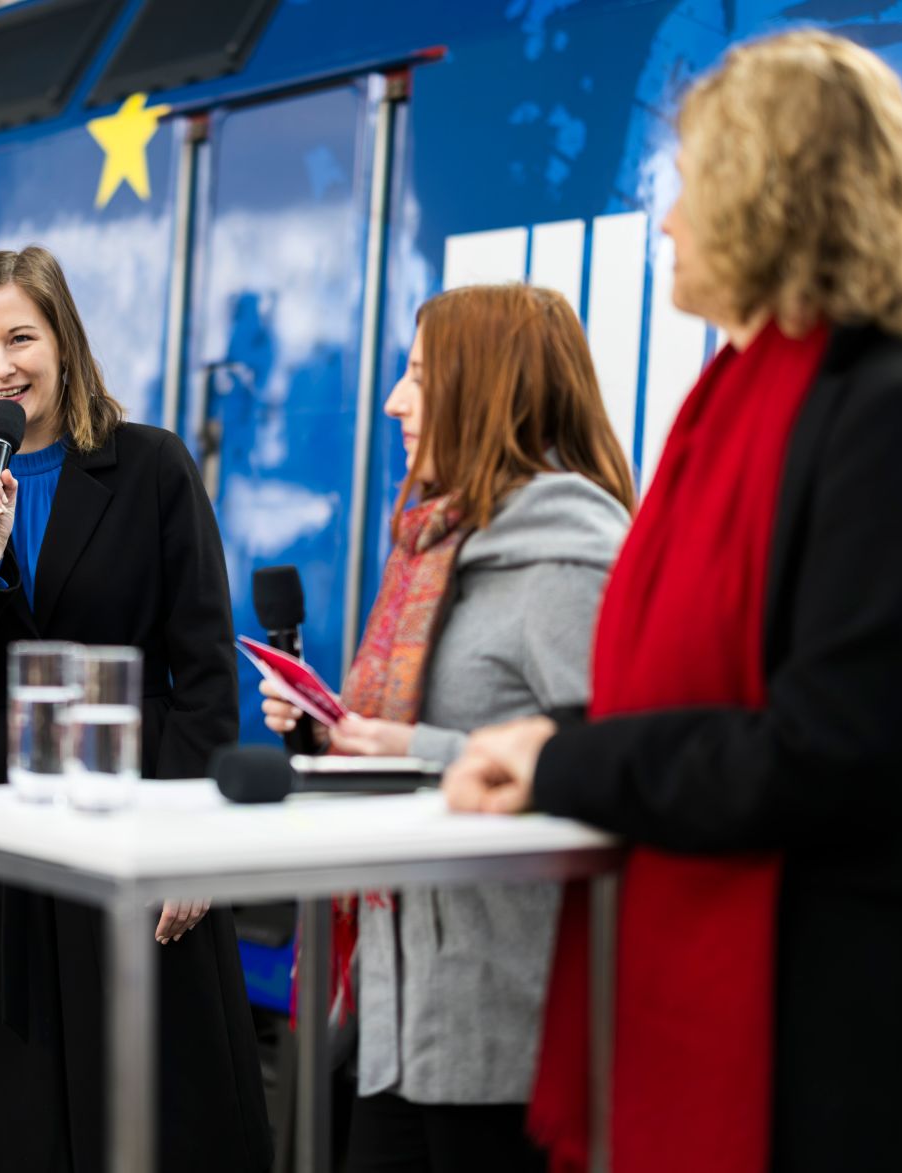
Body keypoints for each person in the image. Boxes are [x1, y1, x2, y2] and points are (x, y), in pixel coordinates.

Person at [442, 30, 902, 1173]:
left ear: (775, 195)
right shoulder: (728, 409)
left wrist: (567, 767)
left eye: (692, 185)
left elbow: (832, 757)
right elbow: (691, 700)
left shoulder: (898, 419)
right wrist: (546, 739)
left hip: (857, 1067)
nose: (665, 220)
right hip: (762, 1030)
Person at [0, 245, 273, 1172]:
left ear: (65, 341)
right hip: (2, 833)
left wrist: (192, 842)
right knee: (16, 1117)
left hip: (139, 824)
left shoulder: (151, 467)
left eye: (21, 336)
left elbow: (206, 673)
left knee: (152, 1107)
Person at [261, 284, 633, 1172]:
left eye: (421, 374)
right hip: (396, 1017)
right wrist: (331, 738)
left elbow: (616, 767)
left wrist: (416, 748)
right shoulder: (433, 544)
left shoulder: (569, 559)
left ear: (489, 387)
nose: (394, 397)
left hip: (504, 1036)